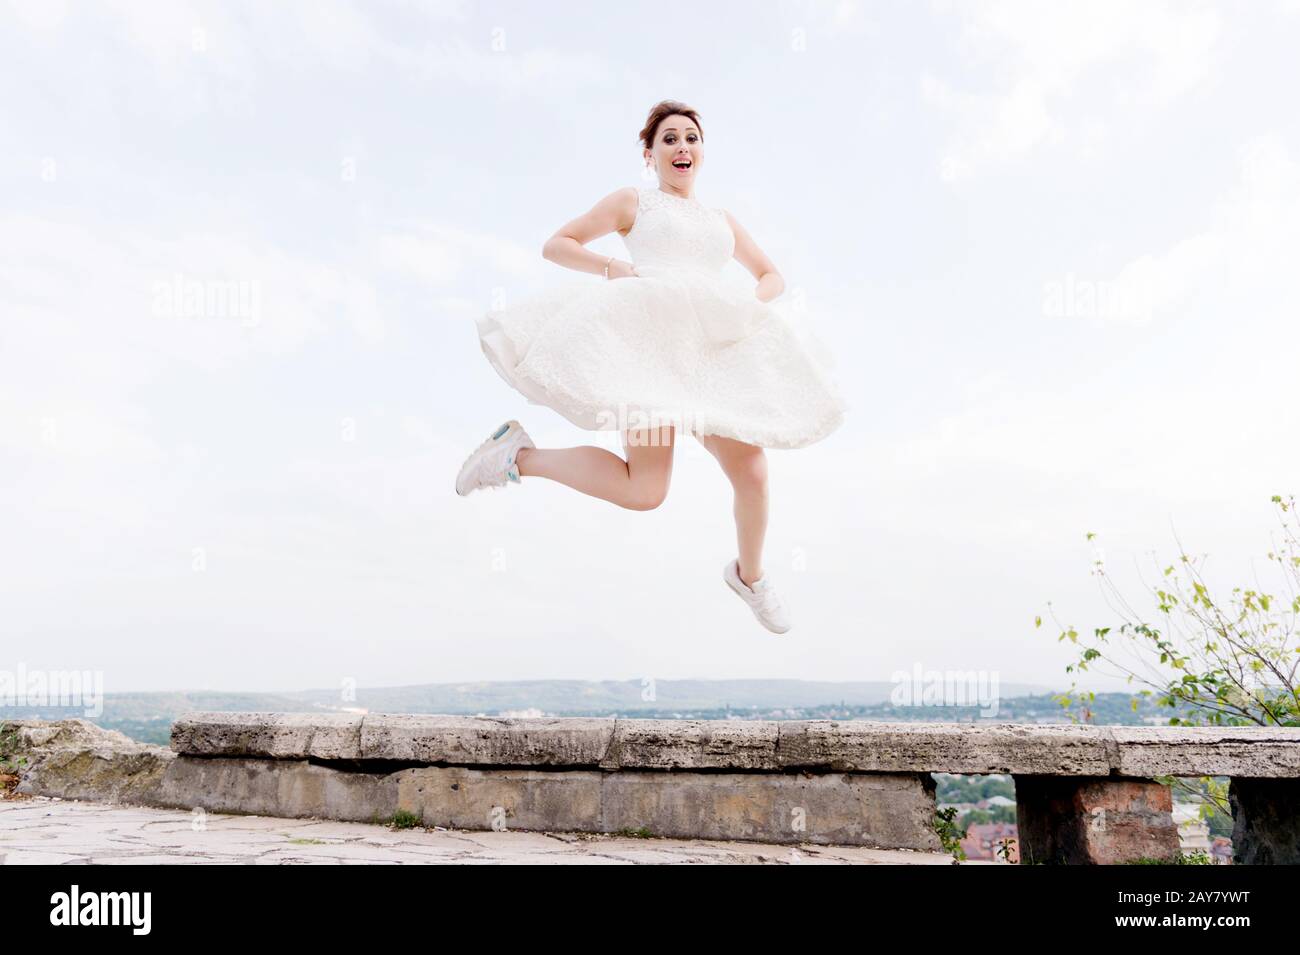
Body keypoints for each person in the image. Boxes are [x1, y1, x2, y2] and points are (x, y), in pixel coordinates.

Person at [457, 99, 847, 634]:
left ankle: (749, 577)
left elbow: (771, 275)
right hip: (650, 350)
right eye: (669, 139)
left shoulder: (721, 220)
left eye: (691, 137)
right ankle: (518, 456)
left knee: (753, 472)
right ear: (650, 154)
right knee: (646, 492)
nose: (682, 146)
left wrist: (751, 302)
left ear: (702, 152)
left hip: (711, 351)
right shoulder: (633, 202)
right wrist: (614, 268)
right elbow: (557, 244)